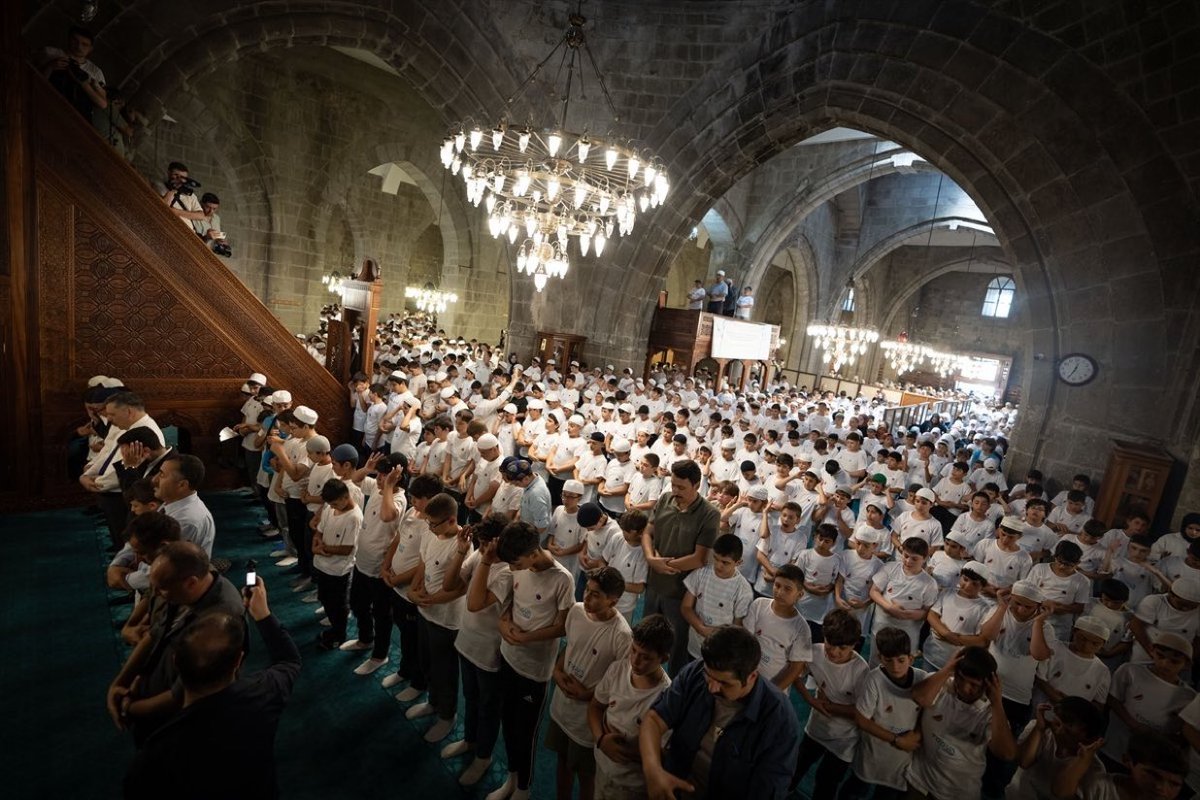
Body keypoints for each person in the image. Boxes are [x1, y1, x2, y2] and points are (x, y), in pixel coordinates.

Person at [123, 579, 300, 800]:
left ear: (175, 661)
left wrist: (130, 706)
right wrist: (263, 615)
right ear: (238, 660)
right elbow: (289, 660)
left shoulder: (155, 753)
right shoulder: (262, 695)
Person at [638, 625, 801, 799]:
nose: (712, 688)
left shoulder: (779, 720)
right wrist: (653, 771)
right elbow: (654, 720)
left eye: (725, 683)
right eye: (709, 676)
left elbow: (767, 792)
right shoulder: (696, 672)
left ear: (752, 676)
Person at [106, 543, 245, 744]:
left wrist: (130, 708)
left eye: (161, 589)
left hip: (183, 720)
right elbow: (156, 634)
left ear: (191, 582)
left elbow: (184, 694)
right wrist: (120, 683)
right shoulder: (181, 587)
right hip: (152, 688)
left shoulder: (221, 618)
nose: (158, 594)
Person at [490, 522, 575, 800]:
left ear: (533, 553)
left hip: (534, 669)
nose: (512, 569)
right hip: (508, 656)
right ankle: (512, 776)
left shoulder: (562, 579)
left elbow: (562, 627)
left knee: (526, 733)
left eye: (515, 563)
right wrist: (503, 624)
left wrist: (526, 639)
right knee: (506, 720)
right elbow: (509, 602)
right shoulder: (519, 568)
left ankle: (524, 788)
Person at [546, 567, 633, 800]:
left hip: (586, 719)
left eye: (596, 595)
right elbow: (571, 645)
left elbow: (619, 683)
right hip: (562, 707)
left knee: (586, 775)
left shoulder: (622, 636)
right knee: (562, 762)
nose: (587, 597)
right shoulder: (576, 611)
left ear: (613, 600)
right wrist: (557, 669)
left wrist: (587, 695)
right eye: (587, 590)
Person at [443, 514, 513, 787]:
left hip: (489, 651)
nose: (482, 548)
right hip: (467, 640)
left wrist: (484, 559)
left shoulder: (507, 571)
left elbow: (474, 603)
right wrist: (463, 552)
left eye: (487, 544)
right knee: (470, 697)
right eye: (481, 544)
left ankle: (483, 756)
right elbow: (449, 585)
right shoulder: (481, 554)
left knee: (488, 707)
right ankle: (470, 740)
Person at [904, 647, 1018, 800]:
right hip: (920, 781)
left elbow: (1006, 753)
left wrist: (997, 703)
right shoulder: (942, 684)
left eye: (973, 684)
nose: (964, 687)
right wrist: (947, 669)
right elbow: (920, 697)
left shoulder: (990, 713)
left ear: (988, 685)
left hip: (957, 792)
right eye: (961, 678)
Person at [641, 459, 720, 673]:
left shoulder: (709, 514)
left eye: (681, 487)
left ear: (696, 485)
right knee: (646, 635)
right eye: (673, 485)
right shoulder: (666, 499)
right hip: (655, 583)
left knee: (677, 646)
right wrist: (650, 558)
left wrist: (663, 565)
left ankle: (676, 687)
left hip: (681, 590)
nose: (675, 490)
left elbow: (699, 557)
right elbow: (648, 531)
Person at [588, 615, 674, 800]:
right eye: (633, 650)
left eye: (645, 657)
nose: (635, 661)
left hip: (632, 786)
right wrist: (601, 740)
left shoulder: (666, 698)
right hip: (603, 766)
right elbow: (595, 707)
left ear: (664, 658)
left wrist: (623, 752)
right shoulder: (618, 669)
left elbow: (664, 753)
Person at [405, 492, 467, 743]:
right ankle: (432, 701)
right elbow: (423, 562)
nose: (429, 528)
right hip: (425, 611)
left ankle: (447, 715)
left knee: (445, 670)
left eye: (434, 524)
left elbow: (459, 587)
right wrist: (414, 589)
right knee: (426, 660)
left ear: (451, 520)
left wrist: (429, 599)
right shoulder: (432, 533)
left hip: (446, 619)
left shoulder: (463, 543)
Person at [838, 627, 927, 800]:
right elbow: (862, 719)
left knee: (887, 794)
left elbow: (928, 714)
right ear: (880, 658)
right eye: (889, 660)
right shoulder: (874, 679)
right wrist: (896, 739)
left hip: (900, 759)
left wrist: (916, 735)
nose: (895, 666)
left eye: (901, 660)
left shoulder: (923, 679)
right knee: (856, 789)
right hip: (873, 751)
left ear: (911, 658)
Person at [791, 609, 870, 797]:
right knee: (797, 766)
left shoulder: (861, 670)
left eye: (842, 648)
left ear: (854, 645)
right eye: (830, 644)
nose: (834, 652)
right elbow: (794, 673)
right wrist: (810, 699)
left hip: (845, 738)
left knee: (827, 781)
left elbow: (862, 712)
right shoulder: (815, 652)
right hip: (817, 726)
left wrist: (828, 706)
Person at [1006, 695, 1107, 800]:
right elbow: (1024, 762)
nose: (1057, 723)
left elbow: (1062, 793)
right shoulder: (1041, 731)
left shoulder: (1094, 768)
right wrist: (1039, 729)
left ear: (1086, 734)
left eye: (1070, 722)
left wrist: (1081, 760)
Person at [680, 533, 754, 660]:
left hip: (719, 652)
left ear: (738, 562)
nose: (718, 565)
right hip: (694, 646)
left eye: (725, 562)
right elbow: (686, 607)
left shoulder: (743, 590)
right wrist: (700, 627)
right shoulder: (701, 574)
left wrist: (714, 633)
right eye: (716, 559)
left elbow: (737, 628)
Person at [311, 479, 363, 650]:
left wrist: (323, 548)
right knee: (324, 598)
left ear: (345, 497)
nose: (332, 507)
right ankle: (333, 628)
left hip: (338, 570)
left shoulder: (354, 517)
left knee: (338, 606)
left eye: (334, 503)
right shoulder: (329, 508)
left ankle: (339, 635)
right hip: (322, 564)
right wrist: (316, 542)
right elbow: (319, 530)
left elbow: (347, 549)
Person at [40, 26, 108, 123]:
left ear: (90, 49)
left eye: (84, 44)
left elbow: (102, 103)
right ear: (69, 39)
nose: (79, 47)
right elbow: (35, 80)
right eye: (75, 41)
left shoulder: (95, 72)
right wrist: (50, 67)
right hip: (48, 106)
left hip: (75, 118)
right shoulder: (50, 53)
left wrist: (84, 84)